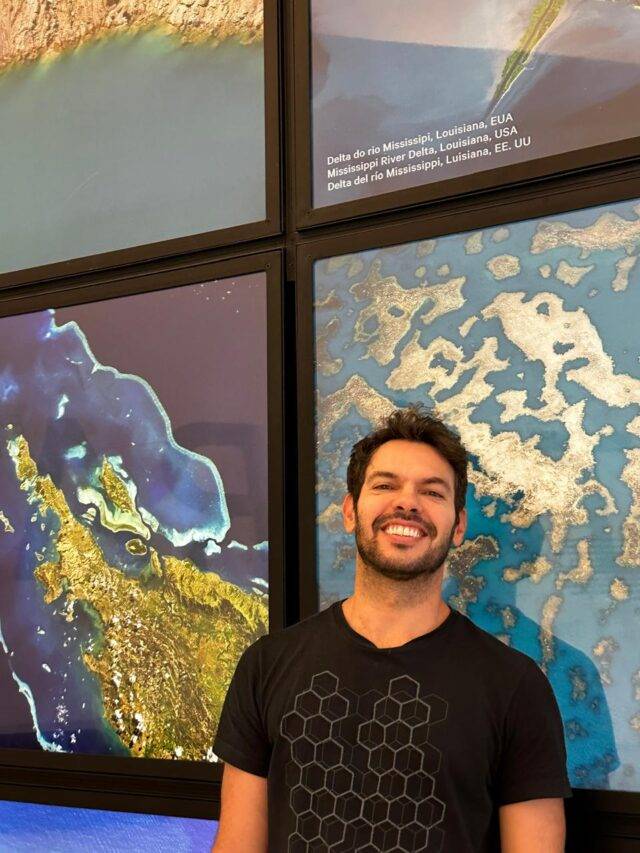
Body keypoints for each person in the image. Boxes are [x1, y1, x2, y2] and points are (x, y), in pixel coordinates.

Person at [212, 406, 571, 852]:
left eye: (432, 492)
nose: (407, 503)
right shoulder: (266, 665)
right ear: (350, 511)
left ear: (459, 526)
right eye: (385, 485)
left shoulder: (515, 687)